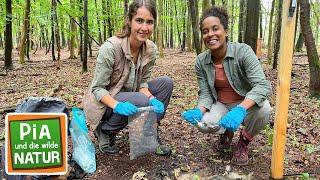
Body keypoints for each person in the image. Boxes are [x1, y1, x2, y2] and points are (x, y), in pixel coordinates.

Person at [182, 6, 272, 166]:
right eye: (205, 31)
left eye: (215, 29)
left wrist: (240, 109)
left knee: (264, 109)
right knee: (205, 123)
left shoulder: (243, 52)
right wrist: (198, 110)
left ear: (226, 31)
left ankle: (243, 142)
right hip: (221, 103)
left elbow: (262, 86)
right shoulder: (201, 61)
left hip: (245, 103)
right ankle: (227, 133)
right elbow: (205, 94)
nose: (210, 34)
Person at [83, 0, 173, 156]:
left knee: (166, 83)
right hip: (105, 104)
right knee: (140, 99)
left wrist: (151, 98)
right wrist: (118, 105)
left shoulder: (150, 49)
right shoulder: (110, 48)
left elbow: (142, 82)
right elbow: (97, 89)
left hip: (131, 93)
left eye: (149, 22)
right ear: (129, 21)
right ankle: (106, 130)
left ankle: (148, 133)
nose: (144, 28)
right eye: (139, 20)